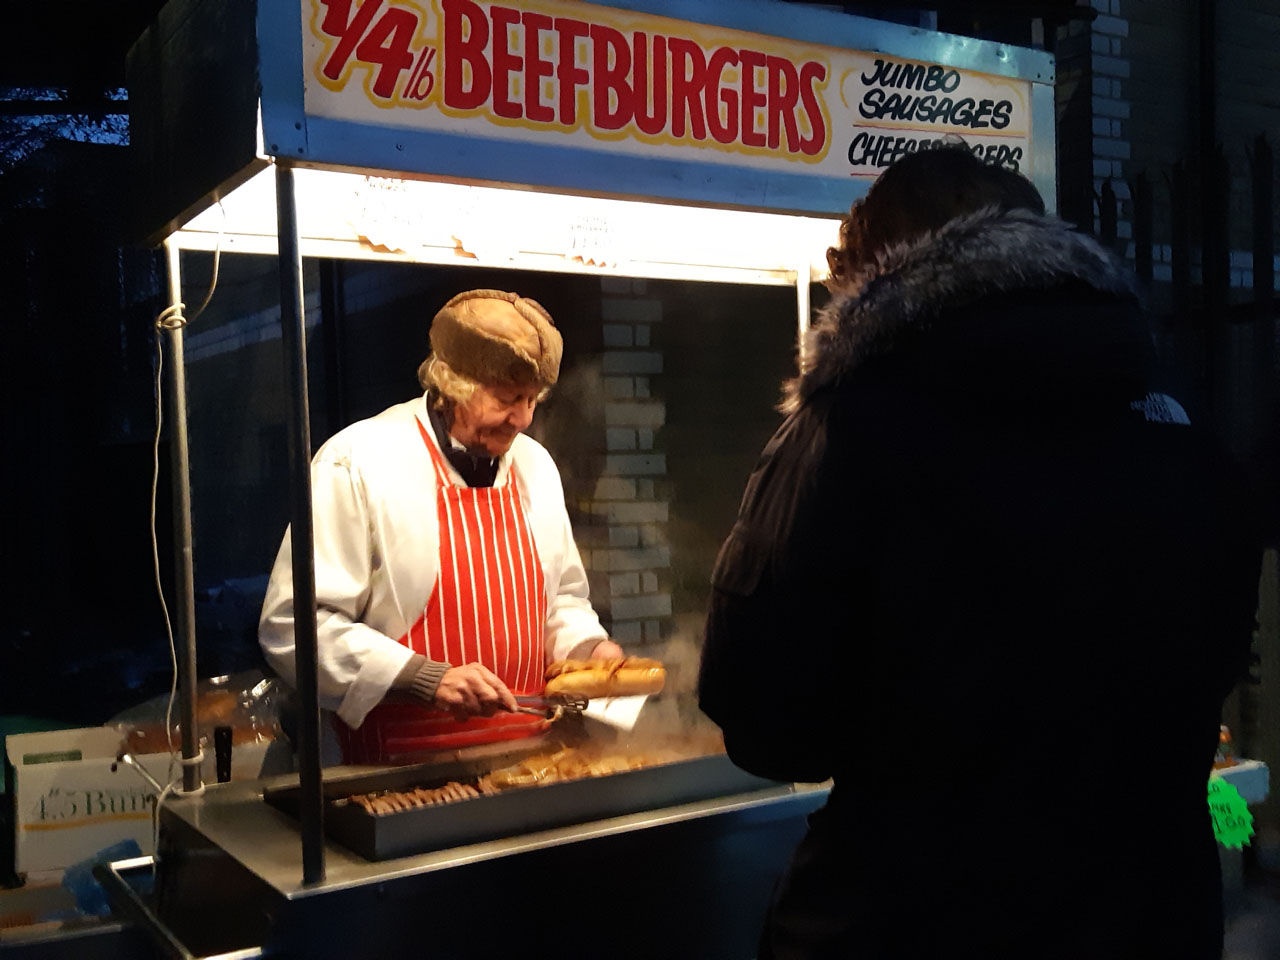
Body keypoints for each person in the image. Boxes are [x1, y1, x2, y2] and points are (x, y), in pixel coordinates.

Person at [697, 147, 1262, 959]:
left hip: (909, 923)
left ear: (876, 271)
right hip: (1150, 919)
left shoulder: (849, 424)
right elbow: (1213, 664)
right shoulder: (1180, 425)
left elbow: (766, 725)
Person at [261, 289, 622, 764]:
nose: (524, 420)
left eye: (533, 400)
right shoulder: (358, 462)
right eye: (507, 399)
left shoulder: (536, 466)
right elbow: (297, 626)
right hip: (389, 777)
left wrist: (589, 648)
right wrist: (424, 678)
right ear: (452, 385)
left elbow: (561, 601)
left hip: (527, 764)